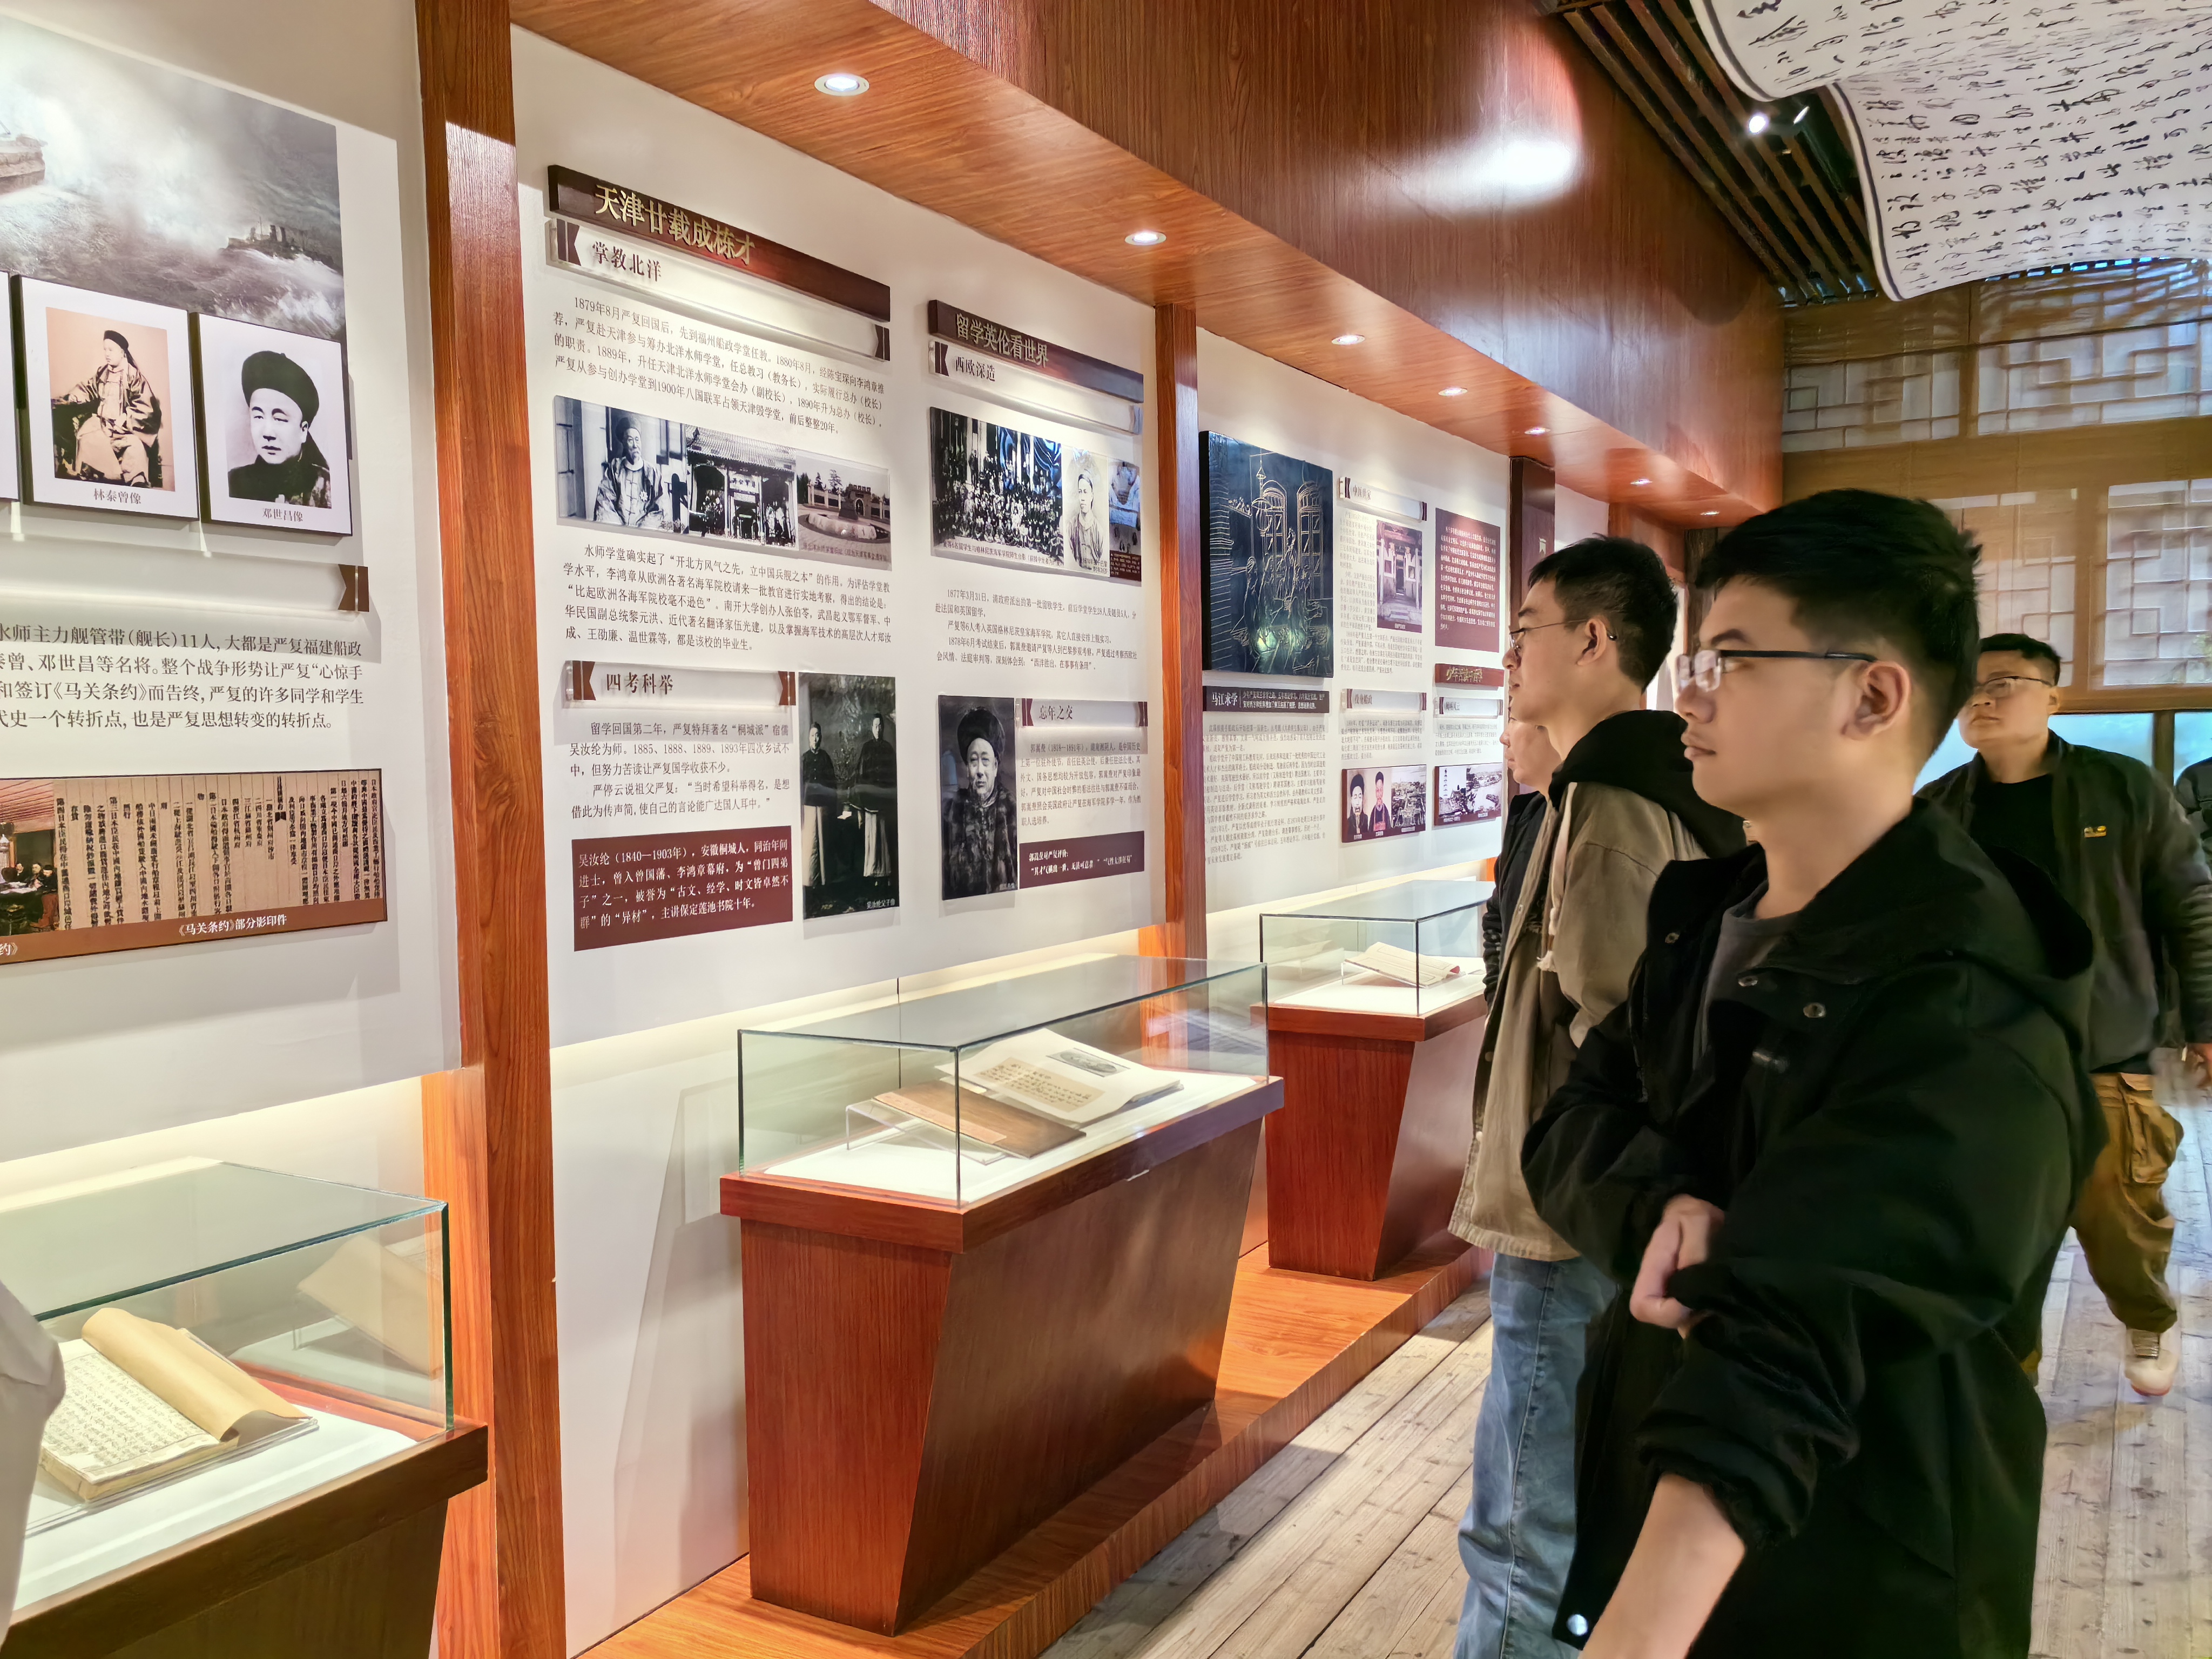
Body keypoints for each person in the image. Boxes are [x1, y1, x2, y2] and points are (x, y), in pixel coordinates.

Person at [1521, 491, 2100, 1658]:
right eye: (1696, 661)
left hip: (1864, 1559)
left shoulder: (1970, 991)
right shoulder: (1706, 913)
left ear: (1871, 697)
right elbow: (1570, 1122)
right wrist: (1662, 1208)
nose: (1689, 697)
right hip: (1659, 1459)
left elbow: (1789, 1338)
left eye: (1731, 661)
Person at [1451, 536, 1742, 1659]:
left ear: (1591, 638)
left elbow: (1617, 1027)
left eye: (1523, 629)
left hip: (1568, 1214)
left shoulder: (1612, 798)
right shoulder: (1625, 780)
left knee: (1523, 1525)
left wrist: (1585, 1177)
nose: (1508, 654)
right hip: (1594, 1202)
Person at [1920, 631, 2212, 1397]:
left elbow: (2189, 903)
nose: (1981, 699)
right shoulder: (1938, 808)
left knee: (2117, 1213)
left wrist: (2206, 1023)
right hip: (1986, 1053)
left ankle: (2147, 1315)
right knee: (2000, 1227)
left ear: (2052, 698)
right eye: (1969, 687)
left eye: (2002, 683)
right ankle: (2009, 1380)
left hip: (2102, 1041)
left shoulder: (2121, 788)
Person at [1480, 718, 1560, 993]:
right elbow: (1498, 916)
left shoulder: (1591, 820)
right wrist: (1497, 998)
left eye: (1514, 719)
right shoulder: (1531, 813)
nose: (1504, 738)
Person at [56, 328, 160, 486]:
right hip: (102, 426)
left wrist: (125, 419)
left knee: (134, 447)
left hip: (123, 429)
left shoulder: (133, 376)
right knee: (87, 438)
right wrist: (73, 397)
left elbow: (144, 405)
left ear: (122, 352)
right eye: (105, 350)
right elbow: (88, 388)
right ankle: (96, 475)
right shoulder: (103, 372)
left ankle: (137, 480)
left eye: (111, 350)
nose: (107, 354)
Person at [227, 350, 331, 506]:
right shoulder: (233, 483)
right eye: (258, 417)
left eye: (280, 419)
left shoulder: (326, 487)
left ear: (303, 430)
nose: (268, 433)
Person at [942, 706, 1016, 896]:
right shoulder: (952, 811)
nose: (980, 771)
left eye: (986, 761)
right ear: (967, 768)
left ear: (995, 766)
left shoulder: (1010, 808)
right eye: (974, 761)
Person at [592, 420, 667, 528]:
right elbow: (605, 503)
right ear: (624, 443)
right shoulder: (615, 469)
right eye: (630, 440)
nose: (635, 445)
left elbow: (661, 508)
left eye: (637, 440)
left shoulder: (653, 473)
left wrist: (641, 530)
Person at [857, 712, 898, 881]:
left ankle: (885, 872)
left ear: (884, 728)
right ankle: (872, 871)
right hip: (871, 800)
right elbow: (861, 774)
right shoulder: (866, 748)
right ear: (871, 728)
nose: (878, 729)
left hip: (884, 800)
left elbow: (893, 774)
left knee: (884, 835)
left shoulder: (888, 748)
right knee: (872, 836)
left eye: (881, 726)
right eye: (875, 726)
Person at [799, 720, 839, 891]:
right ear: (809, 738)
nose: (815, 739)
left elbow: (832, 784)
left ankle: (824, 881)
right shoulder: (805, 759)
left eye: (817, 735)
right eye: (812, 736)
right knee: (810, 844)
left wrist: (832, 805)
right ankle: (810, 880)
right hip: (808, 807)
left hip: (823, 807)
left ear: (821, 738)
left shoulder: (825, 758)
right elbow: (800, 784)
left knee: (823, 843)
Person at [1346, 773, 1369, 841]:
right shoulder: (1348, 822)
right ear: (1351, 800)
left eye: (1360, 797)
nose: (1358, 803)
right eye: (1355, 798)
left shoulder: (1366, 819)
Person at [1370, 771, 1391, 838]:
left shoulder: (1386, 810)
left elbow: (1389, 829)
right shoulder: (1373, 811)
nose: (1379, 793)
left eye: (1381, 790)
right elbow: (1370, 831)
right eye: (1377, 790)